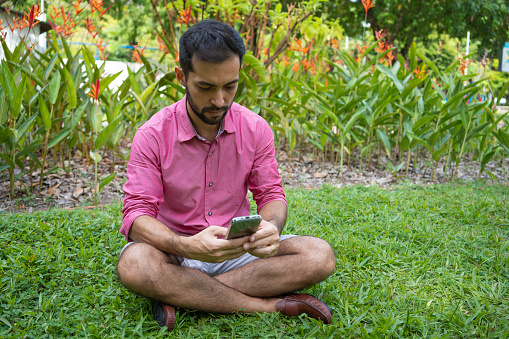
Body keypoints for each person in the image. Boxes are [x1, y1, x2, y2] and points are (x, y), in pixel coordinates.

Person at [116, 19, 336, 330]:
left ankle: (179, 293)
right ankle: (266, 306)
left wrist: (271, 228)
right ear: (182, 77)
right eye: (206, 87)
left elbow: (271, 195)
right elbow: (136, 216)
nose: (220, 100)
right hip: (173, 251)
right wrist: (185, 245)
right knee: (136, 264)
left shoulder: (256, 129)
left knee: (320, 255)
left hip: (237, 249)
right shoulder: (152, 135)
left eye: (230, 86)